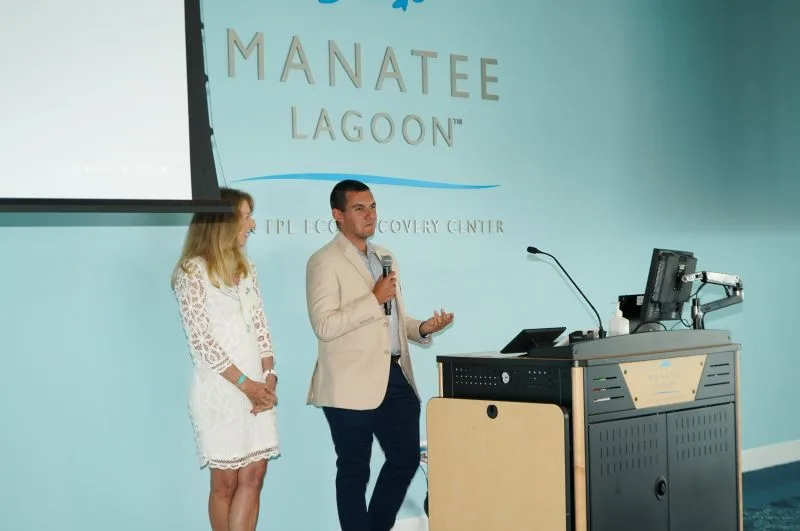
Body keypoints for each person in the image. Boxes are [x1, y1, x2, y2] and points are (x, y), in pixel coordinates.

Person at [304, 179, 454, 531]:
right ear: (338, 214)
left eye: (372, 207)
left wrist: (422, 328)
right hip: (349, 382)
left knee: (405, 459)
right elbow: (325, 325)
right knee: (354, 469)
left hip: (395, 376)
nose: (370, 215)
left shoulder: (385, 256)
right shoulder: (323, 261)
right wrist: (373, 298)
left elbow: (391, 319)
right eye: (359, 208)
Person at [171, 187, 280, 531]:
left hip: (257, 387)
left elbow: (261, 325)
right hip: (221, 390)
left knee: (255, 475)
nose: (252, 224)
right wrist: (246, 385)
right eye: (245, 216)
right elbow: (202, 341)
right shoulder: (191, 272)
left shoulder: (247, 269)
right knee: (225, 482)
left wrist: (269, 375)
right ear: (222, 221)